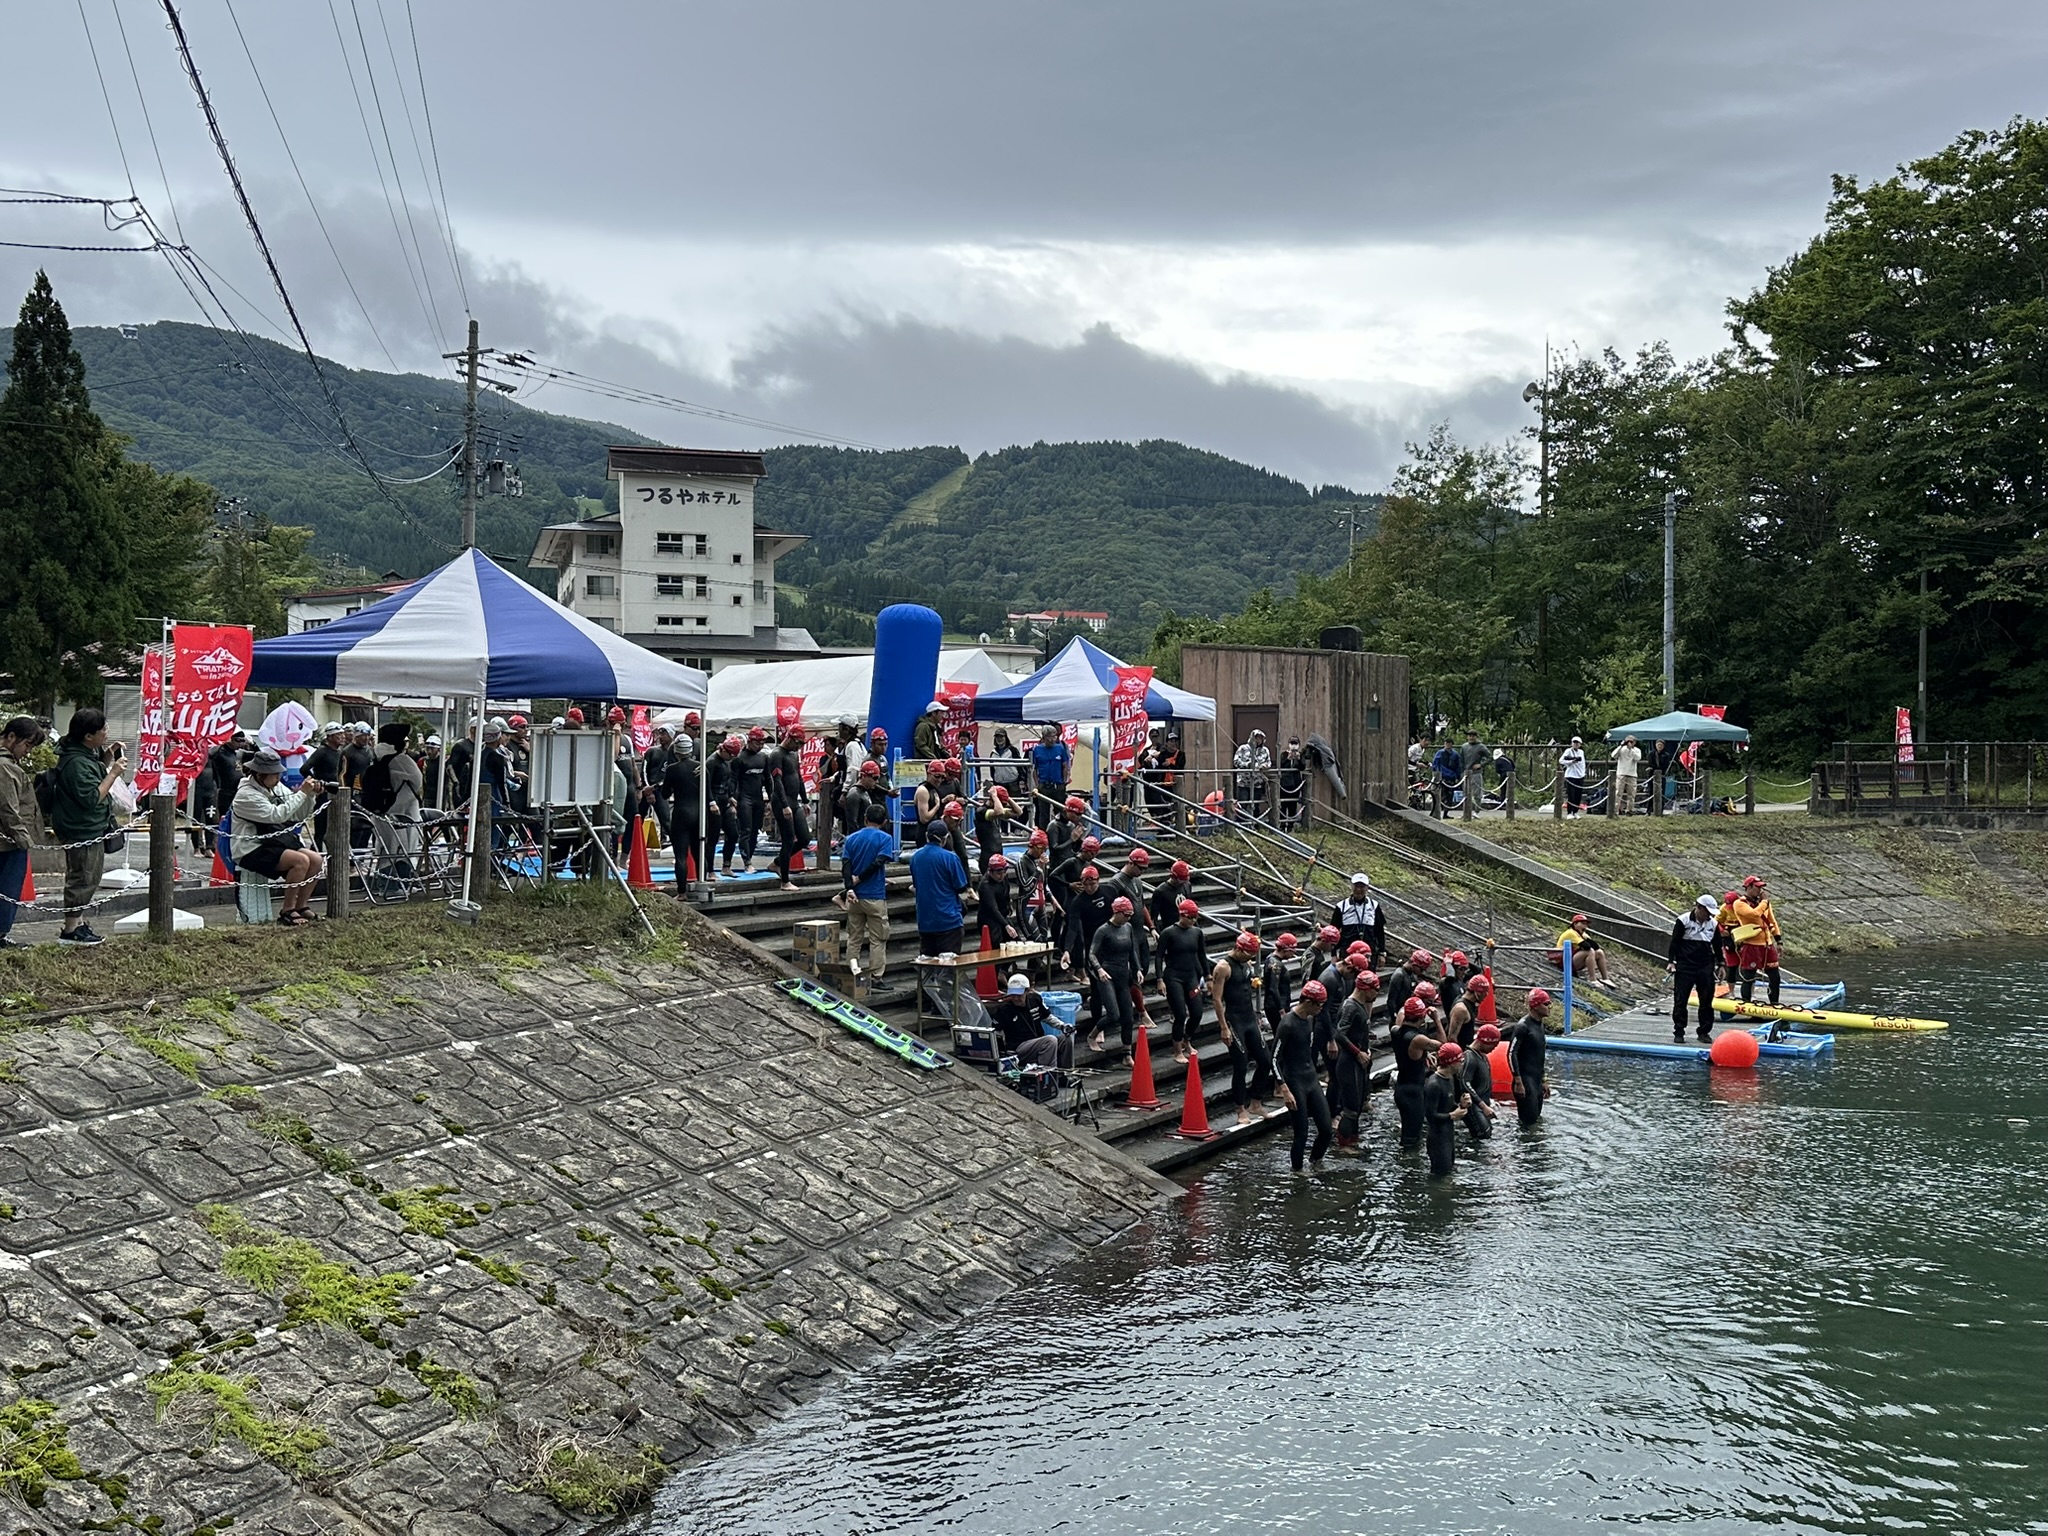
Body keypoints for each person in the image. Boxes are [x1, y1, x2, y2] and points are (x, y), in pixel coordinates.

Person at [49, 709, 126, 947]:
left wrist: (107, 756)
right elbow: (91, 797)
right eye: (103, 729)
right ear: (88, 736)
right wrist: (113, 773)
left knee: (87, 876)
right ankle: (71, 930)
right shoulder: (76, 763)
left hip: (86, 826)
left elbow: (92, 774)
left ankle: (78, 923)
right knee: (83, 877)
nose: (106, 732)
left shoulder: (82, 754)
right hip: (81, 829)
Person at [232, 749, 330, 926]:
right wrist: (302, 793)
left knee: (316, 859)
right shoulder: (245, 795)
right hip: (250, 848)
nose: (278, 778)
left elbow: (297, 814)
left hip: (274, 841)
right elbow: (276, 815)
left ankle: (301, 906)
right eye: (274, 774)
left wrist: (310, 796)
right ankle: (287, 910)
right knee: (300, 861)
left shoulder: (275, 787)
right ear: (261, 775)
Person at [1212, 931, 1273, 1126]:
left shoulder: (1245, 963)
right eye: (1249, 955)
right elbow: (1216, 999)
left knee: (1265, 1061)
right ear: (1239, 948)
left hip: (1249, 1018)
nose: (1251, 959)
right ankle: (1240, 1108)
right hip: (1234, 1020)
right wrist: (1223, 1027)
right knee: (1241, 1064)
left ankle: (1255, 1102)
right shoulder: (1223, 967)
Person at [1275, 980, 1334, 1174]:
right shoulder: (1287, 1024)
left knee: (1326, 1129)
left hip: (1310, 1078)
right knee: (1301, 1133)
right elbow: (1274, 1059)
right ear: (1308, 1002)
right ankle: (1297, 1172)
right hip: (1294, 1081)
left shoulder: (1309, 1018)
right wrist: (1284, 1089)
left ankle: (1315, 1163)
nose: (1321, 1009)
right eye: (1319, 1005)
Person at [0, 716, 45, 949]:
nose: (28, 751)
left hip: (9, 840)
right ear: (10, 737)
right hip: (9, 842)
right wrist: (23, 838)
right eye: (27, 744)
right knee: (7, 889)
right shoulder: (4, 766)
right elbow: (7, 807)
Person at [362, 722, 425, 884]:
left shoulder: (376, 757)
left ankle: (383, 882)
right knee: (405, 847)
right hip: (404, 812)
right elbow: (417, 781)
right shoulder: (401, 760)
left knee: (385, 847)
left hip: (382, 809)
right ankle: (401, 882)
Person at [838, 803, 895, 978]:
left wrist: (849, 887)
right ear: (884, 821)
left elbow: (846, 865)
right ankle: (876, 976)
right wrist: (861, 877)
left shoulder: (851, 838)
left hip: (855, 896)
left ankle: (852, 972)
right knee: (878, 938)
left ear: (865, 819)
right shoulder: (885, 839)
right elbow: (878, 862)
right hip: (875, 894)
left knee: (854, 938)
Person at [1330, 969, 1379, 1155]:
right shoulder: (1350, 1006)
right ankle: (1343, 1144)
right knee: (1351, 1107)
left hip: (1357, 1061)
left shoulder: (1359, 1005)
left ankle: (1352, 1138)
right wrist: (1358, 1053)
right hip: (1349, 1062)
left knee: (1357, 1104)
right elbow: (1339, 1034)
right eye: (1375, 989)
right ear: (1366, 989)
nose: (1377, 994)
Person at [1088, 895, 1143, 1058]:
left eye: (1130, 915)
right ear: (1117, 913)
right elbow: (1091, 954)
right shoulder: (1103, 930)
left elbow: (1132, 950)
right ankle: (1092, 1036)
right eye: (1126, 915)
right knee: (1114, 1015)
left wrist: (1137, 969)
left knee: (1128, 1017)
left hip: (1122, 975)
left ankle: (1127, 1055)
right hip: (1107, 975)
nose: (1128, 918)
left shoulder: (1128, 928)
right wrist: (1098, 969)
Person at [1157, 897, 1209, 1063]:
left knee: (1197, 1013)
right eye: (1190, 917)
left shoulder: (1197, 933)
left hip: (1191, 975)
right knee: (1180, 1013)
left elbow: (1202, 955)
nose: (1193, 921)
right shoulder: (1169, 933)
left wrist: (1207, 975)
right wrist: (1159, 979)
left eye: (1195, 918)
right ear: (1182, 915)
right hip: (1173, 976)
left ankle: (1187, 1039)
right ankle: (1177, 1049)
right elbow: (1158, 957)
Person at [1669, 892, 1725, 1043]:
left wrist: (1721, 964)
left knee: (1706, 1000)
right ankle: (1679, 1031)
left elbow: (1717, 946)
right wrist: (1671, 961)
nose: (1709, 916)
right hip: (1685, 965)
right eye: (1707, 912)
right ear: (1699, 908)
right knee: (1681, 999)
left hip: (1705, 965)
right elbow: (1674, 942)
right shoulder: (1683, 920)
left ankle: (1704, 1031)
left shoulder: (1713, 924)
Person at [908, 821, 970, 959]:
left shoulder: (915, 858)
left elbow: (916, 884)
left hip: (925, 921)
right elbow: (961, 887)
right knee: (948, 971)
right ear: (945, 838)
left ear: (926, 835)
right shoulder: (950, 858)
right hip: (948, 920)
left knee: (927, 967)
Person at [991, 974, 1072, 1069]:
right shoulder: (1004, 1009)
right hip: (1019, 1047)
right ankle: (1048, 1073)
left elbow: (1047, 1017)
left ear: (1027, 991)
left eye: (1019, 995)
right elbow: (995, 1032)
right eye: (1013, 995)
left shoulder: (1035, 1000)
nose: (1016, 998)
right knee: (1050, 1040)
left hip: (1037, 1041)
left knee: (1066, 1039)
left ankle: (1066, 1070)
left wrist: (1062, 1026)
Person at [1390, 995, 1438, 1151]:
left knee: (1407, 1134)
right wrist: (1437, 1020)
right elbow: (1444, 1045)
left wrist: (1425, 1054)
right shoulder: (1418, 1039)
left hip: (1401, 1089)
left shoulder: (1395, 1031)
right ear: (1422, 1017)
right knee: (1412, 1139)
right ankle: (1407, 1171)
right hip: (1413, 1092)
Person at [767, 728, 811, 891]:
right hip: (781, 801)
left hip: (794, 801)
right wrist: (784, 805)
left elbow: (798, 778)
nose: (799, 747)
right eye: (798, 743)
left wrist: (805, 800)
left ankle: (778, 863)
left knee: (804, 838)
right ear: (791, 739)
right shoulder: (776, 754)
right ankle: (785, 881)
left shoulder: (794, 754)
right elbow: (777, 782)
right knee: (787, 839)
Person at [1731, 874, 1784, 1010]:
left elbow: (1772, 921)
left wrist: (1778, 941)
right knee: (1749, 977)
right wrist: (1764, 902)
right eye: (1757, 887)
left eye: (1761, 888)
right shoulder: (1740, 903)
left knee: (1775, 977)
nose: (1760, 891)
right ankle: (1746, 1004)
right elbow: (1754, 915)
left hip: (1767, 944)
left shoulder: (1764, 904)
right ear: (1748, 887)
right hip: (1751, 945)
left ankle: (1774, 1004)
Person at [660, 734, 703, 892]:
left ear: (676, 751)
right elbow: (707, 793)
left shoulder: (672, 770)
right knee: (699, 853)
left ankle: (682, 892)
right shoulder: (700, 767)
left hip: (681, 812)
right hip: (699, 813)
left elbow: (665, 794)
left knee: (681, 856)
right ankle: (701, 886)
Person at [1505, 988, 1552, 1127]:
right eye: (1546, 1004)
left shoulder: (1540, 1025)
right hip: (1525, 1081)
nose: (1549, 1007)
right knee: (1527, 1124)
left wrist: (1544, 1080)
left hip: (1536, 1080)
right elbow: (1511, 1053)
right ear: (1536, 1006)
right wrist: (1518, 1081)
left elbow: (1539, 1056)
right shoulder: (1523, 1026)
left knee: (1535, 1120)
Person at [1423, 1041, 1470, 1177]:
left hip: (1448, 1136)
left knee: (1448, 1174)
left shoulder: (1449, 1078)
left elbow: (1447, 1106)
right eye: (1460, 1061)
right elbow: (1430, 1116)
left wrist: (1460, 1105)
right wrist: (1452, 1116)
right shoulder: (1434, 1084)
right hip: (1437, 1139)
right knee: (1440, 1179)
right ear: (1451, 1063)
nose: (1462, 1064)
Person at [735, 728, 771, 869]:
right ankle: (747, 862)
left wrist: (771, 798)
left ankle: (749, 857)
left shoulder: (763, 758)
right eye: (757, 743)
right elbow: (733, 780)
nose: (760, 746)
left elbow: (768, 780)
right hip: (744, 798)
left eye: (762, 743)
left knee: (755, 829)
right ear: (750, 741)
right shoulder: (740, 758)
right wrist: (733, 798)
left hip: (758, 798)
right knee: (746, 830)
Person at [708, 735, 744, 879]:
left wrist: (730, 796)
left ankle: (726, 866)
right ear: (724, 750)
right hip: (714, 802)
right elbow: (706, 784)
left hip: (724, 800)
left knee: (733, 833)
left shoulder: (726, 761)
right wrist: (711, 802)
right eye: (731, 755)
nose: (731, 758)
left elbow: (728, 781)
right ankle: (710, 870)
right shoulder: (711, 762)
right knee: (712, 838)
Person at [1332, 873, 1386, 967]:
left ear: (1367, 888)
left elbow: (1379, 931)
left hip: (1369, 951)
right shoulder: (1341, 906)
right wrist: (1333, 954)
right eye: (1356, 886)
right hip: (1347, 950)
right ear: (1352, 886)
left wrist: (1382, 952)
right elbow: (1334, 931)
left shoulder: (1374, 905)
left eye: (1362, 887)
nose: (1358, 890)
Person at [1461, 1024, 1499, 1141]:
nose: (1494, 1049)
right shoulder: (1469, 1057)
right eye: (1493, 1045)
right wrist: (1483, 1106)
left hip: (1483, 1103)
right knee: (1483, 1136)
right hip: (1474, 1105)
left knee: (1488, 1135)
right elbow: (1464, 1083)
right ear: (1484, 1042)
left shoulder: (1482, 1056)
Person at [1028, 725, 1071, 830]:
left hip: (1058, 785)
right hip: (1044, 785)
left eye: (1054, 736)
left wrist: (1064, 782)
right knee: (1043, 813)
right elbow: (1034, 769)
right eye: (1049, 737)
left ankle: (1061, 832)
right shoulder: (1037, 750)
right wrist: (1038, 785)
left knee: (1060, 811)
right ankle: (1043, 835)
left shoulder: (1060, 748)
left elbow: (1065, 766)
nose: (1052, 739)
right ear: (1044, 737)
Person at [1553, 912, 1610, 983]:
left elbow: (1596, 946)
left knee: (1599, 952)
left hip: (1573, 959)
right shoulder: (1570, 933)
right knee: (1590, 951)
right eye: (1582, 923)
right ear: (1575, 924)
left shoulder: (1581, 934)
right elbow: (1587, 946)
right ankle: (1593, 979)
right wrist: (1585, 939)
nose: (1585, 926)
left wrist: (1585, 937)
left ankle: (1605, 979)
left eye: (1586, 924)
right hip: (1564, 962)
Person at [979, 854, 1021, 944]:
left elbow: (1006, 889)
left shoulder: (1003, 878)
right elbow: (992, 909)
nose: (1002, 876)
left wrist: (1008, 902)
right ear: (990, 871)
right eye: (998, 873)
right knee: (997, 945)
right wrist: (1006, 925)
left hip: (1002, 914)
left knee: (1016, 940)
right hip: (990, 919)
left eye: (1004, 872)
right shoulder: (985, 886)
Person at [1231, 730, 1271, 822]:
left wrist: (1265, 766)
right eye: (1256, 738)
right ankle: (1241, 824)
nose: (1258, 740)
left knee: (1256, 805)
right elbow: (1236, 761)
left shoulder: (1265, 750)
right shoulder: (1243, 748)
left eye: (1260, 738)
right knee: (1243, 804)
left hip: (1257, 783)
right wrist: (1247, 765)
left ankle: (1255, 824)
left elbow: (1269, 762)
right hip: (1244, 783)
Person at [1386, 948, 1433, 1021]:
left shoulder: (1411, 975)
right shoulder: (1399, 975)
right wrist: (1394, 1018)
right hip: (1399, 1015)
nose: (1422, 972)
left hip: (1406, 1014)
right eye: (1421, 969)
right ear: (1415, 964)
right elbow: (1391, 1000)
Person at [1429, 738, 1465, 819]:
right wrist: (1436, 774)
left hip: (1451, 777)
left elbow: (1458, 766)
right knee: (1440, 795)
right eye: (1446, 743)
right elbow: (1435, 764)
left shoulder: (1455, 754)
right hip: (1441, 777)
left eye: (1449, 743)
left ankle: (1445, 813)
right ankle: (1436, 813)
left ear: (1452, 744)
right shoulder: (1440, 753)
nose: (1448, 744)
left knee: (1449, 796)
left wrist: (1458, 777)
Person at [1276, 736, 1306, 829]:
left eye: (1295, 744)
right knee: (1283, 805)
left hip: (1295, 784)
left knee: (1293, 805)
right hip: (1285, 783)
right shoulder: (1284, 754)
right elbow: (1280, 765)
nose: (1293, 746)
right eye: (1292, 743)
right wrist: (1288, 759)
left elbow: (1302, 767)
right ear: (1289, 744)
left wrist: (1298, 759)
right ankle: (1282, 824)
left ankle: (1290, 826)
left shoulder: (1300, 754)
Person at [1612, 734, 1643, 815]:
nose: (1629, 743)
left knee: (1631, 794)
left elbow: (1638, 758)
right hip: (1621, 773)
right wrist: (1621, 746)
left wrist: (1631, 749)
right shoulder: (1621, 749)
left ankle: (1629, 810)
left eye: (1631, 741)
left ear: (1635, 742)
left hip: (1632, 774)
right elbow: (1613, 755)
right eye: (1628, 741)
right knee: (1618, 793)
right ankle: (1615, 810)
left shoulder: (1637, 750)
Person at [1560, 736, 1589, 818]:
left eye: (1577, 743)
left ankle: (1575, 812)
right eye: (1574, 742)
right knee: (1571, 795)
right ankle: (1569, 813)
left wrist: (1583, 773)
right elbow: (1561, 760)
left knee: (1578, 795)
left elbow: (1582, 763)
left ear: (1580, 744)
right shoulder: (1568, 751)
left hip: (1580, 776)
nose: (1576, 744)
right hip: (1571, 776)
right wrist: (1571, 762)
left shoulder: (1581, 752)